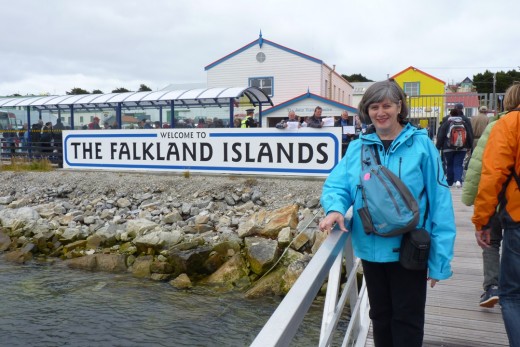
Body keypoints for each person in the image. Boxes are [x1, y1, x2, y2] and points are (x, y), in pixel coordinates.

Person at [319, 79, 455, 347]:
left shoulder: (422, 145)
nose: (381, 112)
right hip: (371, 248)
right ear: (366, 110)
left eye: (387, 105)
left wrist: (440, 261)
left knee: (408, 319)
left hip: (410, 248)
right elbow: (337, 184)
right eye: (374, 106)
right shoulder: (359, 147)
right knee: (380, 317)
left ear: (399, 107)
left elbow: (441, 202)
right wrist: (335, 208)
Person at [472, 82, 520, 346]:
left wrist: (482, 220)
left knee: (512, 295)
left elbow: (491, 178)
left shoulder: (508, 125)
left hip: (517, 219)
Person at [462, 110, 506, 308]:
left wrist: (469, 196)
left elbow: (479, 166)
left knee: (491, 242)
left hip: (496, 198)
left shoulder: (495, 126)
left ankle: (492, 286)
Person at [436, 108, 474, 188]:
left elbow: (441, 136)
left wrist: (438, 147)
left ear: (450, 114)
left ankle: (449, 181)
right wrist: (469, 146)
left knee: (449, 164)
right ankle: (458, 180)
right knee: (458, 164)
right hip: (462, 147)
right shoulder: (464, 123)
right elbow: (469, 135)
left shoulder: (446, 123)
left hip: (448, 148)